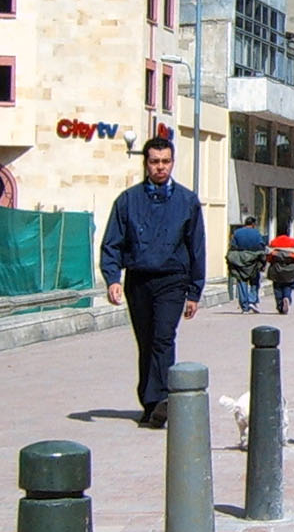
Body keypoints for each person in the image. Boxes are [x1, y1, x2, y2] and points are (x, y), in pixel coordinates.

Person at [100, 136, 205, 426]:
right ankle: (149, 403)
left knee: (162, 337)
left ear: (172, 163)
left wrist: (195, 291)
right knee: (146, 342)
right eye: (155, 162)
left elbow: (196, 247)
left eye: (166, 161)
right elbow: (112, 243)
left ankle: (162, 399)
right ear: (146, 163)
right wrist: (113, 278)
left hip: (173, 280)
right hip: (139, 280)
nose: (160, 167)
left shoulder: (187, 201)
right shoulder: (128, 201)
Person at [226, 215, 266, 314]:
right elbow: (261, 246)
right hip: (253, 260)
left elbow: (233, 246)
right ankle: (252, 299)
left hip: (240, 260)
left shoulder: (237, 233)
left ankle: (244, 306)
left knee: (241, 282)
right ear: (253, 224)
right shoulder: (256, 233)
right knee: (254, 281)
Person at [266, 229, 294, 314]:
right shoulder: (293, 243)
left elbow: (269, 258)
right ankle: (287, 297)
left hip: (276, 270)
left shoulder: (273, 243)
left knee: (277, 288)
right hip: (290, 270)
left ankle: (280, 306)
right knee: (288, 286)